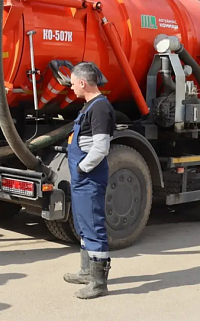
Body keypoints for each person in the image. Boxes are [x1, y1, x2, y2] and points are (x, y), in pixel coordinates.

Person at [63, 62, 115, 299]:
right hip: (82, 178)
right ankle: (86, 271)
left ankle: (98, 282)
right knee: (84, 225)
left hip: (89, 177)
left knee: (94, 227)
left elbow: (101, 147)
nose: (71, 88)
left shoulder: (100, 108)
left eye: (73, 83)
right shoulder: (89, 106)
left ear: (83, 83)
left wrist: (82, 168)